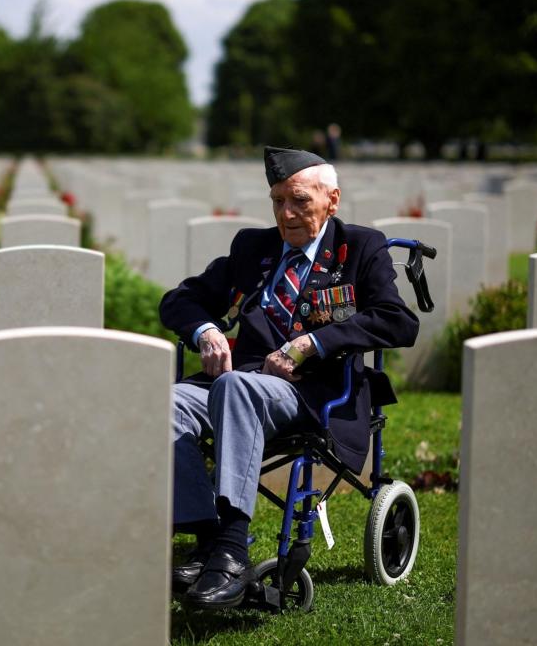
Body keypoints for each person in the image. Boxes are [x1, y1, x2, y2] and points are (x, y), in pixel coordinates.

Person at [159, 146, 420, 609]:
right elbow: (179, 300)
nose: (286, 213)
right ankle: (207, 540)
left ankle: (233, 552)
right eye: (278, 201)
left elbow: (397, 321)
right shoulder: (252, 248)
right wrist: (208, 330)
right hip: (238, 384)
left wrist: (310, 344)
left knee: (236, 386)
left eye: (299, 200)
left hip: (314, 394)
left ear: (331, 200)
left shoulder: (359, 248)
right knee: (167, 401)